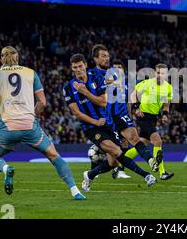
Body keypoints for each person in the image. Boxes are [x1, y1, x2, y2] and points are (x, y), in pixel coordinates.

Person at [0, 46, 85, 200]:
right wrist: (32, 115)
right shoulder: (30, 73)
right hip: (30, 126)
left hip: (7, 127)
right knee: (54, 155)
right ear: (17, 57)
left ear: (2, 59)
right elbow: (42, 102)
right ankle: (75, 190)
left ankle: (5, 168)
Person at [62, 53, 156, 192]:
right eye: (75, 67)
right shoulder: (68, 88)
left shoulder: (97, 79)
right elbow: (76, 112)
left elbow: (103, 101)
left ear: (85, 65)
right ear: (72, 68)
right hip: (91, 126)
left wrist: (85, 92)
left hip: (107, 122)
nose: (78, 69)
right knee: (116, 151)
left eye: (80, 66)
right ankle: (146, 175)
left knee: (113, 162)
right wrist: (95, 121)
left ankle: (89, 174)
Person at [90, 45, 162, 179]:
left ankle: (150, 160)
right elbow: (96, 95)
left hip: (120, 115)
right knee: (113, 161)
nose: (107, 58)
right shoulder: (92, 75)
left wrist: (132, 112)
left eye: (107, 56)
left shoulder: (116, 75)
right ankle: (90, 174)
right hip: (106, 118)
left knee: (133, 138)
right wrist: (108, 84)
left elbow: (126, 98)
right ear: (95, 58)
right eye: (103, 56)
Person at [127, 63, 174, 180]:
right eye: (158, 73)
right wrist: (136, 108)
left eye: (162, 73)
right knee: (157, 141)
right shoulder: (147, 83)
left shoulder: (168, 87)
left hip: (154, 118)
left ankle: (120, 162)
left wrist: (165, 115)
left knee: (142, 143)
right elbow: (133, 94)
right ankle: (162, 172)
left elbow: (166, 105)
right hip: (143, 116)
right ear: (154, 73)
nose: (160, 75)